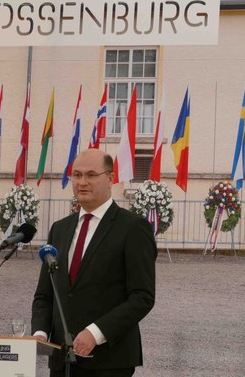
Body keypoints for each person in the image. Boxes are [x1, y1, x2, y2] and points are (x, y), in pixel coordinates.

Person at [32, 149, 157, 377]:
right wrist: (40, 333)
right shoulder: (60, 229)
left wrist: (96, 332)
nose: (82, 182)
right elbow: (45, 294)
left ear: (110, 179)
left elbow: (142, 296)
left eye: (91, 175)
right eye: (77, 175)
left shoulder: (133, 228)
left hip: (109, 361)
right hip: (61, 361)